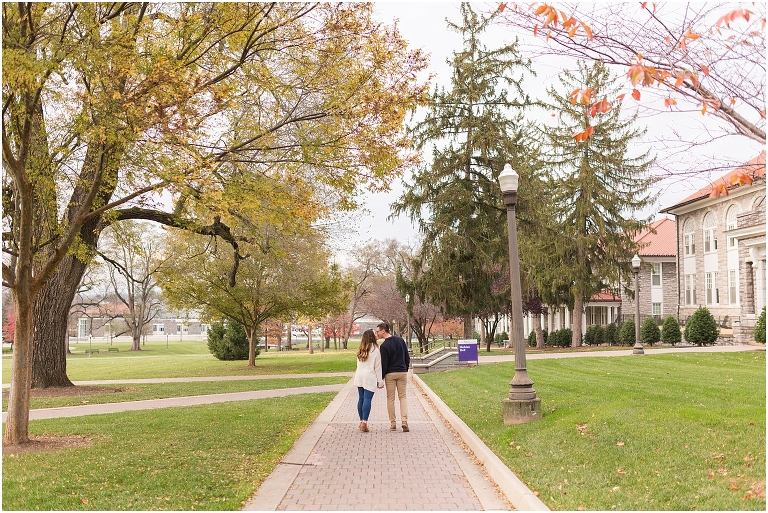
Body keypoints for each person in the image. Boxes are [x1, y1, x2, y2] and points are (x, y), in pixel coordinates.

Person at [376, 322, 410, 432]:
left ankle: (393, 423)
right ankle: (404, 421)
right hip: (402, 372)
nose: (377, 333)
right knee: (403, 397)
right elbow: (406, 357)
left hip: (390, 374)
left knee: (390, 398)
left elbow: (384, 364)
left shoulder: (384, 346)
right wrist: (405, 368)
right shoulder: (400, 340)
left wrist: (381, 378)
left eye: (378, 331)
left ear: (383, 331)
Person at [354, 329, 384, 432]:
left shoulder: (360, 350)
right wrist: (380, 382)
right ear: (371, 336)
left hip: (359, 375)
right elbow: (378, 367)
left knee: (361, 399)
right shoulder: (376, 350)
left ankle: (361, 421)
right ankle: (364, 422)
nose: (376, 334)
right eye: (375, 333)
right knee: (367, 399)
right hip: (370, 376)